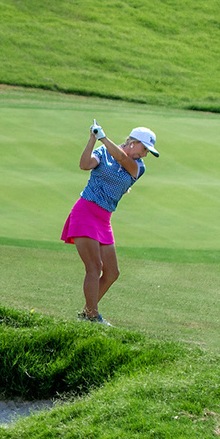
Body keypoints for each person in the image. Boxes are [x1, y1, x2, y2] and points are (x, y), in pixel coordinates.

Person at [60, 122, 158, 323]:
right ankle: (92, 315)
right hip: (86, 211)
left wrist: (103, 137)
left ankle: (87, 313)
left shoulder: (138, 167)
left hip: (104, 219)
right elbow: (84, 165)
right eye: (145, 148)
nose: (145, 154)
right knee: (94, 267)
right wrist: (92, 139)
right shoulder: (102, 152)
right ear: (133, 142)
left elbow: (121, 158)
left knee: (112, 272)